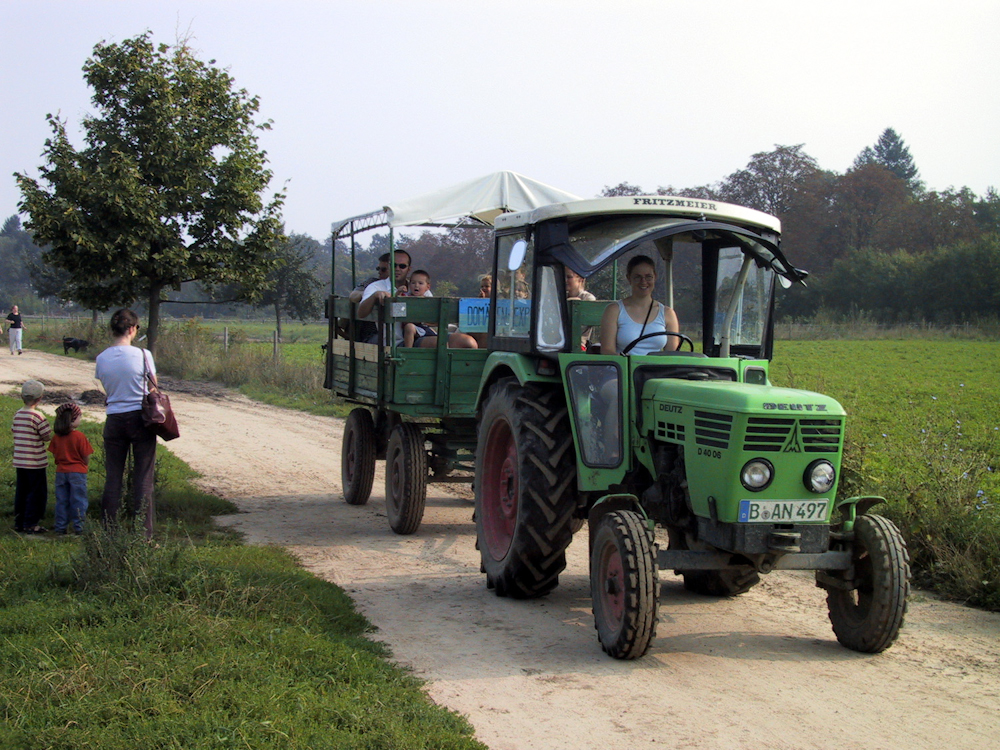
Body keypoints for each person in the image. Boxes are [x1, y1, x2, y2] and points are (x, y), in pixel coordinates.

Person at [95, 309, 158, 538]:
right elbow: (153, 387)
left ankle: (109, 533)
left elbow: (106, 385)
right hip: (140, 418)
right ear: (133, 329)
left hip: (114, 418)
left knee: (113, 477)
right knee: (143, 478)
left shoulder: (101, 358)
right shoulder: (143, 355)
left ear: (112, 330)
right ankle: (143, 536)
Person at [600, 255, 679, 355]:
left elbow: (672, 355)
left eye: (648, 277)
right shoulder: (614, 310)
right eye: (638, 277)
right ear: (629, 278)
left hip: (656, 370)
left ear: (655, 277)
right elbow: (607, 351)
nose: (643, 281)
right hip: (624, 369)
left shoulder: (667, 313)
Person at [11, 379, 52, 534]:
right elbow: (47, 436)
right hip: (35, 462)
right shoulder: (38, 416)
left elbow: (14, 430)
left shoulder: (17, 414)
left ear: (22, 397)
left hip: (20, 461)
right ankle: (31, 523)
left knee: (21, 491)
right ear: (39, 398)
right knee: (36, 493)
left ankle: (19, 521)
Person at [48, 402, 93, 535]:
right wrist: (84, 465)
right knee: (78, 500)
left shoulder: (57, 437)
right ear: (73, 419)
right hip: (78, 472)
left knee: (62, 500)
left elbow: (55, 454)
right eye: (79, 417)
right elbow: (86, 456)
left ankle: (60, 527)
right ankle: (79, 527)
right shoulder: (79, 436)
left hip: (61, 471)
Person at [406, 269, 478, 349]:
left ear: (428, 287)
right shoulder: (405, 298)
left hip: (428, 331)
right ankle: (407, 353)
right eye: (413, 283)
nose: (416, 286)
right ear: (409, 285)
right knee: (441, 344)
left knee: (469, 342)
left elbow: (436, 321)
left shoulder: (430, 301)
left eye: (420, 283)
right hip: (416, 335)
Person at [356, 250, 412, 343]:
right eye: (394, 265)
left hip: (415, 337)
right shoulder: (375, 287)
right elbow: (361, 313)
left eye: (402, 266)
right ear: (389, 266)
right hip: (390, 341)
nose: (397, 269)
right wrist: (374, 296)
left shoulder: (417, 287)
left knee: (437, 342)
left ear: (408, 269)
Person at [565, 267, 597, 350]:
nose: (565, 280)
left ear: (581, 279)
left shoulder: (588, 298)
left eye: (569, 277)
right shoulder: (560, 296)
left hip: (579, 344)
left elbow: (580, 327)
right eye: (563, 277)